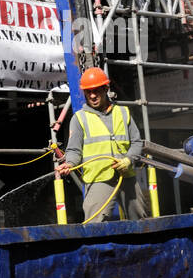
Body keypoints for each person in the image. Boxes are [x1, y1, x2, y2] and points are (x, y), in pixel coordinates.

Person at [57, 67, 147, 223]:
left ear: (105, 88)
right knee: (94, 224)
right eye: (88, 92)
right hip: (99, 179)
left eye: (96, 90)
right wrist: (69, 163)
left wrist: (129, 160)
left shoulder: (123, 112)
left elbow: (137, 142)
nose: (92, 95)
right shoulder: (79, 118)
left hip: (127, 176)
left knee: (140, 221)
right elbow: (74, 149)